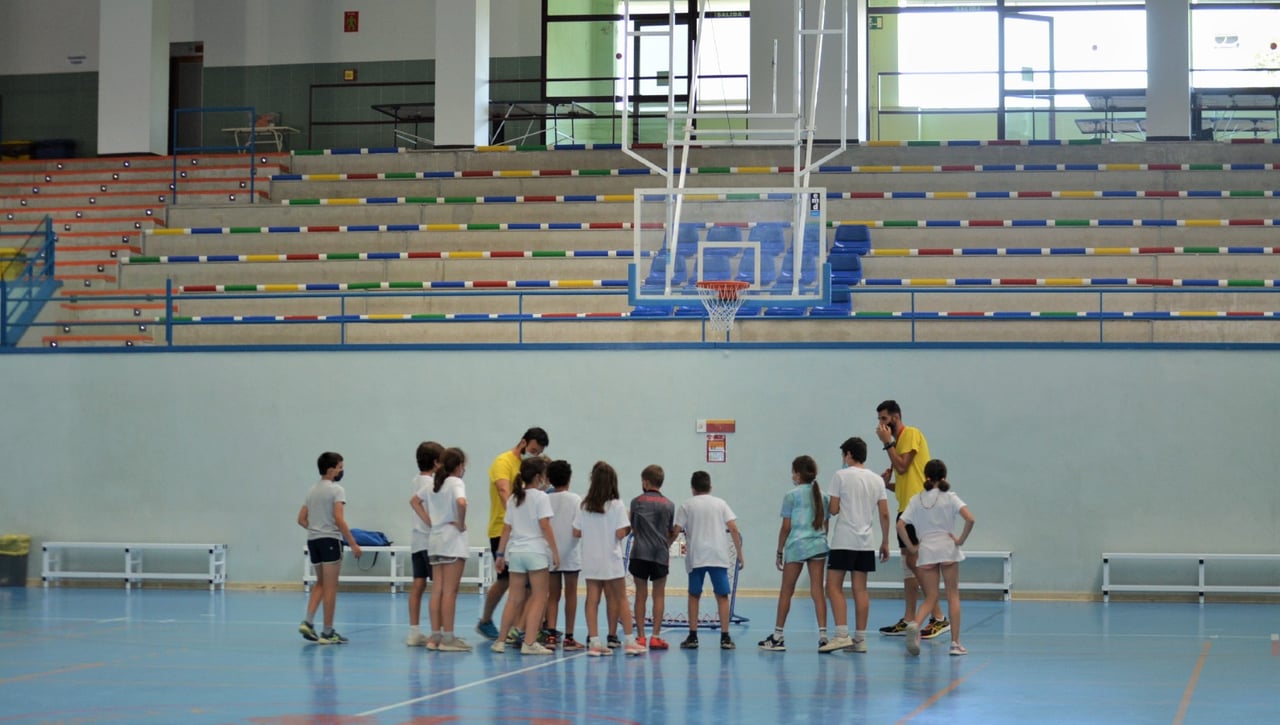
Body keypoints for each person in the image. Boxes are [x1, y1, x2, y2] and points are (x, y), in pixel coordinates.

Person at [875, 400, 948, 640]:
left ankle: (938, 617)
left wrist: (887, 445)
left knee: (917, 565)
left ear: (896, 417)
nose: (881, 424)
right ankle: (908, 619)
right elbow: (904, 482)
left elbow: (904, 467)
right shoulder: (896, 445)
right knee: (908, 567)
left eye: (884, 419)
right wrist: (888, 485)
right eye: (879, 420)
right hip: (905, 508)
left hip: (918, 511)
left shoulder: (911, 434)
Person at [819, 438, 891, 654]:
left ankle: (841, 635)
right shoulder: (877, 480)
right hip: (866, 541)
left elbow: (833, 509)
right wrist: (885, 540)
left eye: (843, 455)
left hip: (844, 540)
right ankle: (860, 639)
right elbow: (885, 513)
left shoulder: (840, 476)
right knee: (860, 589)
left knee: (833, 586)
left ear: (849, 454)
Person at [477, 427, 549, 640]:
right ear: (524, 442)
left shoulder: (526, 466)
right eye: (533, 449)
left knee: (524, 584)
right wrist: (517, 516)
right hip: (503, 529)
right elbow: (503, 490)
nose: (534, 454)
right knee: (505, 580)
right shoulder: (503, 462)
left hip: (524, 534)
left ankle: (517, 629)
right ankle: (486, 620)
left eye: (538, 452)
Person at [898, 459, 974, 657]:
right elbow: (970, 518)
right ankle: (955, 644)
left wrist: (912, 547)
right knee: (952, 595)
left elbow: (900, 525)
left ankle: (915, 624)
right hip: (948, 549)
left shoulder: (916, 499)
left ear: (926, 476)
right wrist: (960, 540)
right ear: (944, 477)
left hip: (927, 551)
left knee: (931, 596)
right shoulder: (950, 497)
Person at [759, 455, 831, 652]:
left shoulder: (791, 496)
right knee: (817, 590)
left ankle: (778, 636)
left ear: (798, 474)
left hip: (796, 545)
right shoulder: (823, 496)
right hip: (818, 545)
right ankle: (823, 636)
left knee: (787, 591)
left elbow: (786, 527)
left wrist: (779, 551)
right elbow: (825, 525)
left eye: (793, 472)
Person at [573, 461, 646, 656]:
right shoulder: (616, 504)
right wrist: (629, 525)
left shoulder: (584, 504)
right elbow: (621, 533)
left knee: (592, 599)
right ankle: (630, 640)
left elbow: (576, 531)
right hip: (611, 558)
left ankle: (594, 641)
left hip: (590, 558)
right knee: (621, 598)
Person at [491, 458, 561, 655]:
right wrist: (555, 552)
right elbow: (545, 525)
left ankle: (500, 641)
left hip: (516, 553)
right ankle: (529, 642)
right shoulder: (541, 497)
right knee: (540, 597)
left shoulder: (514, 498)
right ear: (539, 477)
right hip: (536, 552)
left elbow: (506, 528)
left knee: (513, 598)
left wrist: (500, 554)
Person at [672, 470, 744, 651]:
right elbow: (733, 528)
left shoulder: (687, 505)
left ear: (692, 488)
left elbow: (676, 530)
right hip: (718, 555)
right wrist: (740, 553)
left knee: (694, 595)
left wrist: (664, 548)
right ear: (710, 487)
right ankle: (725, 637)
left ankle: (693, 636)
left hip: (696, 556)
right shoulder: (721, 504)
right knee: (722, 596)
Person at [298, 451, 361, 645]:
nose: (342, 471)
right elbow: (339, 519)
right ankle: (327, 632)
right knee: (331, 588)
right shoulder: (336, 490)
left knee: (320, 583)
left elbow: (301, 520)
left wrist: (317, 528)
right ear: (331, 469)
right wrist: (353, 543)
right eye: (340, 467)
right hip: (330, 542)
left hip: (313, 541)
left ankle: (308, 621)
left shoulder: (312, 490)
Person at [426, 447, 472, 652]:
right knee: (450, 592)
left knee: (437, 590)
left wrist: (431, 521)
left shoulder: (434, 484)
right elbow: (462, 503)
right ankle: (448, 638)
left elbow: (414, 502)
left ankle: (434, 636)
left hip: (435, 540)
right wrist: (461, 523)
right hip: (452, 542)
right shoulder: (455, 482)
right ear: (460, 465)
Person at [629, 464, 675, 651]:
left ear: (646, 482)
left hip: (640, 553)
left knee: (641, 595)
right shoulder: (669, 504)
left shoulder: (636, 502)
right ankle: (656, 637)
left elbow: (634, 528)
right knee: (659, 595)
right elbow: (669, 531)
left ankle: (640, 637)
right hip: (660, 555)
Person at [406, 441, 444, 647]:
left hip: (416, 540)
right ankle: (436, 632)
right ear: (437, 463)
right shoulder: (431, 484)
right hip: (429, 540)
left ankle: (414, 632)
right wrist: (431, 521)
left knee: (418, 584)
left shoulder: (416, 479)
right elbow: (418, 503)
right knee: (438, 587)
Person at [544, 459, 584, 650]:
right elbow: (579, 527)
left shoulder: (544, 499)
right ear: (569, 478)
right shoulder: (576, 500)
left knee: (553, 595)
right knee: (571, 595)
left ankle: (551, 635)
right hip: (571, 553)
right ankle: (569, 637)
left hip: (551, 553)